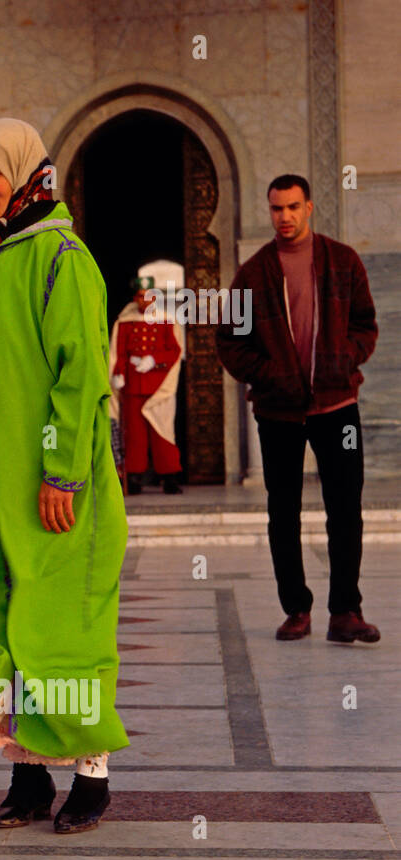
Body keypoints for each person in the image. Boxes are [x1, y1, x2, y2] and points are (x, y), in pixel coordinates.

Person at [0, 118, 129, 834]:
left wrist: (62, 474)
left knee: (66, 629)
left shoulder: (60, 256)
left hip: (57, 485)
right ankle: (27, 774)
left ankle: (91, 776)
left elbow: (80, 375)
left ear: (28, 176)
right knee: (6, 627)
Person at [215, 174, 379, 643]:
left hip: (337, 405)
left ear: (309, 207)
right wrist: (269, 375)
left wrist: (343, 360)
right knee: (282, 510)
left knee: (345, 507)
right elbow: (229, 340)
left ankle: (346, 611)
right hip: (278, 412)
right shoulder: (254, 272)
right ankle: (296, 609)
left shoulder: (342, 262)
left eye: (291, 207)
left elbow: (366, 324)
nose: (283, 217)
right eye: (275, 209)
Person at [110, 260, 186, 495]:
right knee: (134, 435)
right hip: (133, 385)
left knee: (162, 431)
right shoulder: (124, 322)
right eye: (141, 296)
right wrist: (118, 374)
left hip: (158, 384)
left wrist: (155, 360)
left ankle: (169, 476)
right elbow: (118, 353)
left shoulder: (166, 320)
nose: (145, 300)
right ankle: (134, 477)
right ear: (135, 298)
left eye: (149, 295)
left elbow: (175, 350)